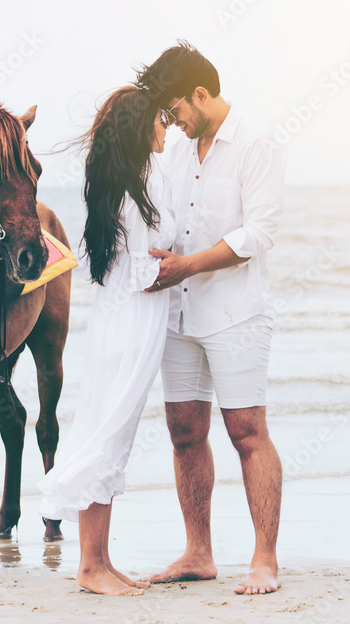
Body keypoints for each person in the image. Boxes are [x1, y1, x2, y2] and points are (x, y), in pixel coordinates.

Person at [135, 41, 287, 595]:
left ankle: (264, 559)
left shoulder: (256, 145)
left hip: (235, 313)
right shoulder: (176, 152)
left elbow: (259, 233)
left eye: (175, 110)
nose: (172, 123)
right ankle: (199, 552)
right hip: (179, 312)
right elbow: (169, 220)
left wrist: (189, 265)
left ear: (201, 94)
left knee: (246, 431)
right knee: (183, 432)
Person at [39, 86, 175, 596]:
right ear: (142, 127)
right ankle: (91, 567)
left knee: (110, 435)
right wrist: (179, 263)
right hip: (131, 325)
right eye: (161, 119)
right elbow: (145, 271)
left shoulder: (125, 181)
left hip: (124, 324)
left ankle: (101, 559)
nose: (167, 127)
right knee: (106, 437)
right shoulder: (134, 189)